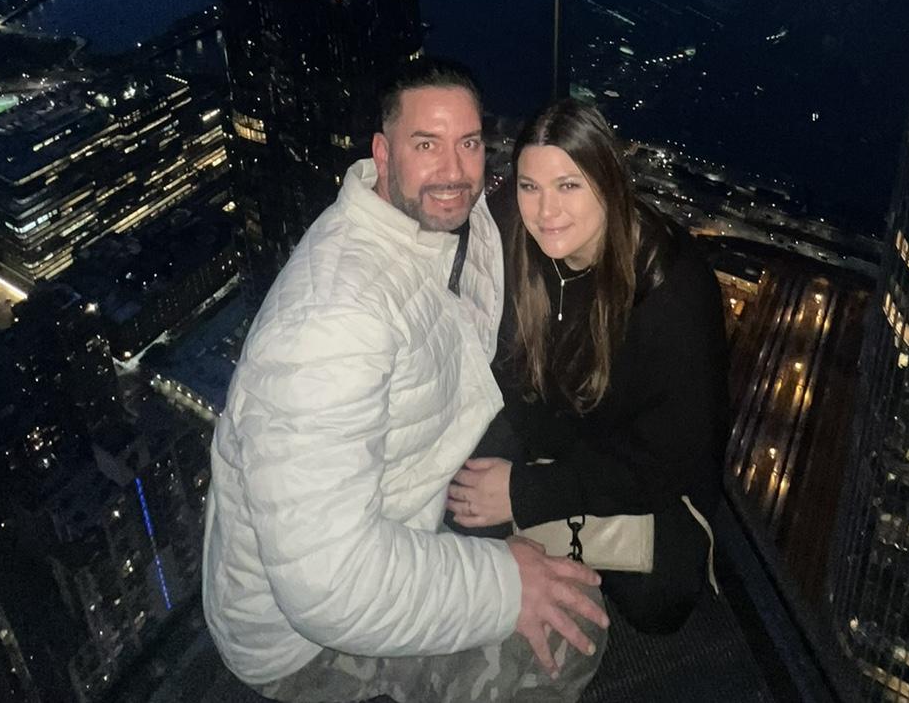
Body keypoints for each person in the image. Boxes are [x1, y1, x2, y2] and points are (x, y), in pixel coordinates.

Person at [203, 57, 609, 702]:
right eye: (426, 145)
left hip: (400, 513)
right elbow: (329, 585)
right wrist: (506, 584)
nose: (453, 171)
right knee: (567, 637)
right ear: (382, 154)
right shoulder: (329, 326)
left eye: (468, 144)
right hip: (300, 636)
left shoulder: (444, 222)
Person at [447, 99, 729, 634]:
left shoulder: (672, 289)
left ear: (609, 184)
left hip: (634, 461)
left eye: (569, 185)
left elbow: (671, 457)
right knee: (457, 503)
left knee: (660, 602)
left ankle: (544, 534)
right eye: (530, 186)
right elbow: (497, 364)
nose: (546, 211)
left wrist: (525, 491)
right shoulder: (512, 229)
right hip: (547, 429)